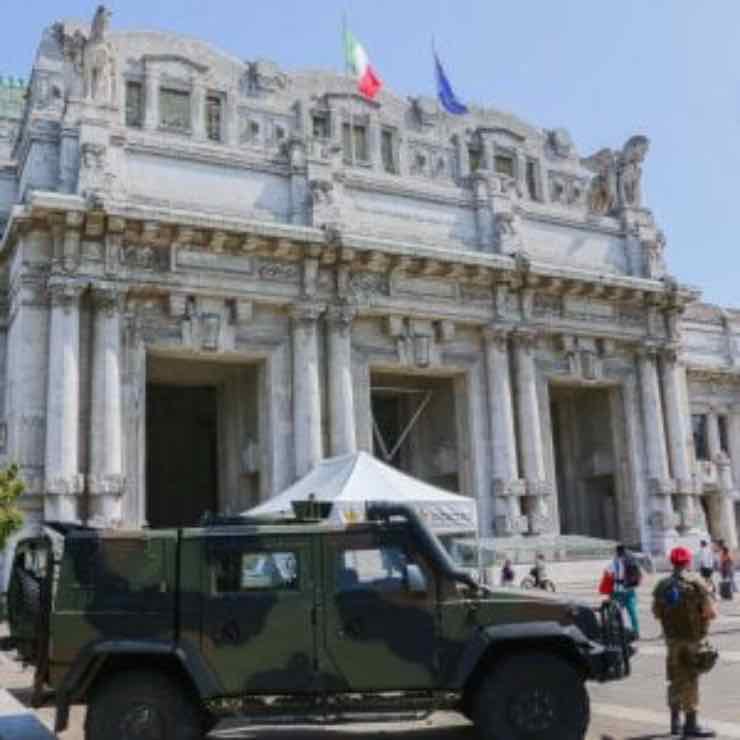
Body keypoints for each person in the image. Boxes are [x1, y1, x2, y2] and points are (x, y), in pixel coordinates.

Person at [653, 546, 717, 737]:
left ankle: (675, 722)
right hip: (693, 639)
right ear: (688, 562)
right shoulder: (697, 583)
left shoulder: (662, 585)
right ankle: (691, 724)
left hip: (672, 640)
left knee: (674, 678)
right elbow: (710, 612)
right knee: (690, 679)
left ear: (672, 562)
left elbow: (656, 612)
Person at [609, 544, 641, 638]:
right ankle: (636, 632)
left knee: (615, 613)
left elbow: (611, 575)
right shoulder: (631, 558)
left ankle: (618, 632)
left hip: (618, 591)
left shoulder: (616, 560)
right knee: (632, 612)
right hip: (629, 590)